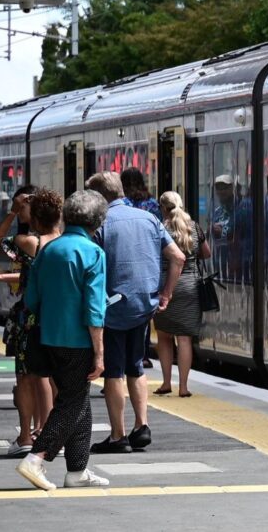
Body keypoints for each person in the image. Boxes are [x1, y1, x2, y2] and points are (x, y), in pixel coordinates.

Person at [84, 172, 185, 454]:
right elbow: (178, 257)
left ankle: (118, 435)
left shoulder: (101, 225)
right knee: (136, 365)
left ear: (100, 198)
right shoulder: (149, 218)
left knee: (114, 372)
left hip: (113, 307)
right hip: (144, 306)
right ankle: (142, 425)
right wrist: (166, 293)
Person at [16, 190, 109, 490]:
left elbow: (31, 299)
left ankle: (77, 470)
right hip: (77, 341)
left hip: (48, 337)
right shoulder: (93, 253)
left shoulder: (48, 250)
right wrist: (99, 352)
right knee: (72, 401)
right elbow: (95, 309)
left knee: (79, 399)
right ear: (97, 222)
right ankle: (36, 457)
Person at [0, 186, 57, 456]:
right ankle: (48, 432)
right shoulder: (61, 240)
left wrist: (13, 211)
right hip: (54, 315)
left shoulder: (27, 242)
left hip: (28, 317)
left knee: (27, 377)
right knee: (50, 377)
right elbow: (27, 275)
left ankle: (28, 435)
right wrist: (0, 277)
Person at [153, 191, 210, 397]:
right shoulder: (194, 227)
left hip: (167, 286)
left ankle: (166, 382)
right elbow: (207, 253)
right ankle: (184, 387)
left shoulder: (161, 229)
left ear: (162, 208)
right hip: (190, 287)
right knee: (184, 339)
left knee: (164, 337)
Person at [120, 167, 160, 368]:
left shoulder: (123, 204)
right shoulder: (152, 203)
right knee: (144, 313)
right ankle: (142, 353)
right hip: (148, 258)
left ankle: (126, 354)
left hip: (126, 258)